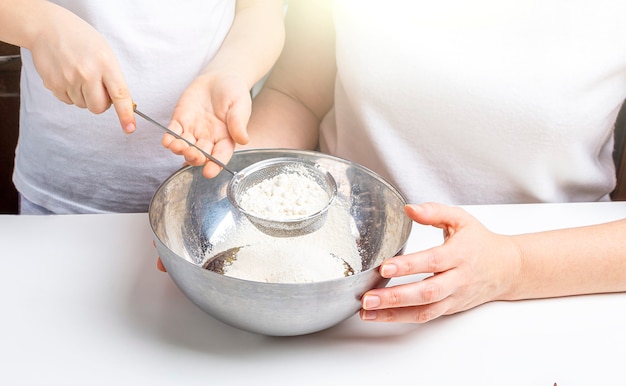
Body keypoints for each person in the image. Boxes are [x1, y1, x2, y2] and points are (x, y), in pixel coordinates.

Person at [173, 0, 626, 323]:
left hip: (555, 295)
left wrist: (514, 266)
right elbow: (298, 96)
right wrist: (226, 194)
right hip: (339, 278)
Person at [0, 0, 285, 213]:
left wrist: (230, 71)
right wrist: (39, 25)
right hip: (57, 196)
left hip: (203, 200)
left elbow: (260, 11)